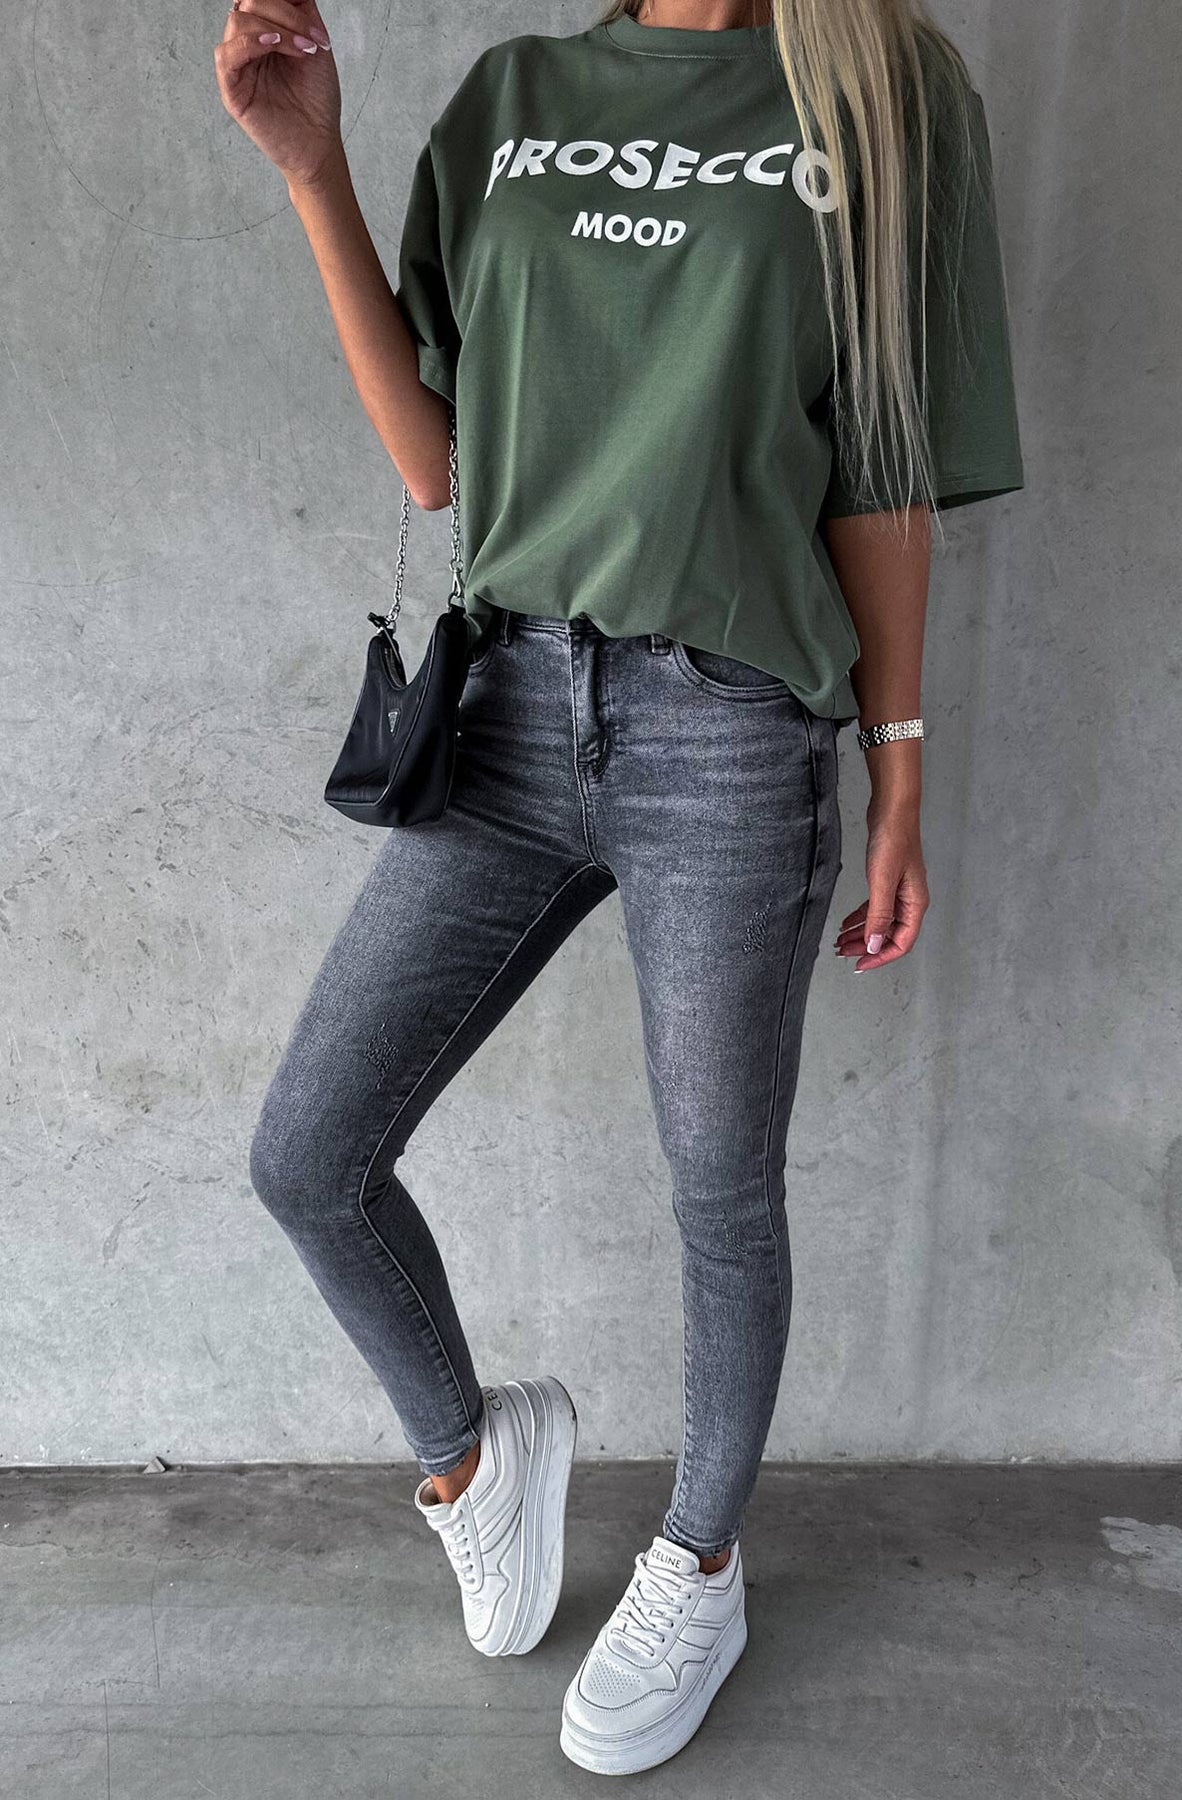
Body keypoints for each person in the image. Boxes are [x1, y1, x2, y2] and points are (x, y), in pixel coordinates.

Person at [215, 0, 1023, 1775]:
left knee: (719, 1190)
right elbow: (438, 461)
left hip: (727, 728)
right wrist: (315, 170)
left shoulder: (879, 88)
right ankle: (474, 1456)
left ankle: (699, 1564)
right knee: (310, 1155)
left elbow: (882, 463)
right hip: (505, 702)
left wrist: (898, 764)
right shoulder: (520, 91)